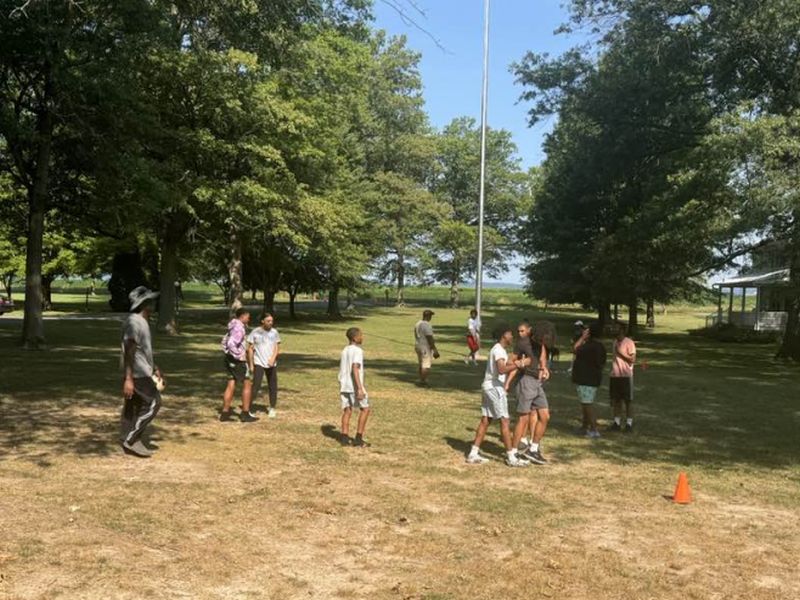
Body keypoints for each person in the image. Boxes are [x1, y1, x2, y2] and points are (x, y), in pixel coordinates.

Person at [466, 324, 529, 467]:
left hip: (489, 386)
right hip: (495, 388)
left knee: (486, 420)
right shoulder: (499, 350)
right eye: (510, 334)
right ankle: (511, 457)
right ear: (504, 336)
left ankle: (473, 453)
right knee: (505, 421)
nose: (512, 336)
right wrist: (519, 364)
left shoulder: (498, 350)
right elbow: (501, 369)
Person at [120, 286, 164, 458]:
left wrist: (155, 367)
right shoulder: (134, 322)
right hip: (137, 374)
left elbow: (142, 350)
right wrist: (129, 378)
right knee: (154, 403)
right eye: (151, 300)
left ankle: (127, 439)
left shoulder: (143, 322)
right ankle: (131, 440)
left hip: (143, 371)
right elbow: (129, 349)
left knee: (133, 407)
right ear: (145, 303)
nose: (154, 302)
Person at [505, 319, 551, 465]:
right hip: (525, 381)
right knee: (523, 418)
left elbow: (542, 355)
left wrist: (544, 368)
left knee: (545, 416)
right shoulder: (523, 343)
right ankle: (512, 452)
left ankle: (533, 449)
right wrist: (521, 363)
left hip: (537, 383)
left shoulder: (540, 344)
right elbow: (509, 362)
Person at [220, 308, 257, 423]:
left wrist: (229, 354)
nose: (249, 318)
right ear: (243, 316)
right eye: (248, 316)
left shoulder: (232, 325)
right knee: (247, 383)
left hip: (229, 360)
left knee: (231, 384)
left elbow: (224, 342)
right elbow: (231, 343)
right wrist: (238, 355)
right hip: (238, 361)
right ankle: (245, 413)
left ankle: (225, 413)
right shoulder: (239, 328)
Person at [572, 321, 607, 438]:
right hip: (594, 378)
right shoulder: (600, 346)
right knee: (585, 403)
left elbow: (575, 348)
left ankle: (594, 429)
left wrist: (582, 337)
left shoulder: (588, 346)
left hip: (585, 379)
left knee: (587, 404)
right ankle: (584, 426)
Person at [338, 327, 370, 447]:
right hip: (353, 385)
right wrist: (360, 388)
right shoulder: (357, 351)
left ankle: (344, 437)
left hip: (344, 384)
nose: (362, 337)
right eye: (361, 335)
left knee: (347, 410)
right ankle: (358, 438)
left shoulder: (345, 350)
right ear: (355, 338)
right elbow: (355, 368)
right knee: (365, 409)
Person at [247, 312, 281, 418]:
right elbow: (250, 349)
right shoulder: (255, 332)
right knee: (256, 386)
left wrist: (273, 358)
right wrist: (251, 365)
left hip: (271, 363)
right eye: (268, 321)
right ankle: (248, 407)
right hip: (259, 362)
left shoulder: (274, 332)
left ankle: (272, 408)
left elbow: (277, 347)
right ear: (263, 321)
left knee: (273, 386)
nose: (271, 323)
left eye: (272, 321)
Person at [609, 323, 637, 432]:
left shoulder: (629, 342)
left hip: (626, 376)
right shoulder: (615, 342)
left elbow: (633, 359)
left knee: (628, 401)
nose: (613, 329)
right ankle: (616, 423)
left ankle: (629, 424)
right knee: (616, 400)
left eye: (615, 328)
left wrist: (620, 353)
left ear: (622, 330)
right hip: (615, 375)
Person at [414, 309, 439, 385]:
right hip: (425, 347)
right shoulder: (426, 325)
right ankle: (423, 381)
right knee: (426, 365)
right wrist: (434, 349)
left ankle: (421, 379)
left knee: (421, 364)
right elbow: (429, 338)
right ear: (428, 316)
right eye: (430, 316)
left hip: (418, 345)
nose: (431, 317)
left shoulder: (418, 323)